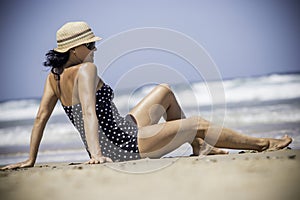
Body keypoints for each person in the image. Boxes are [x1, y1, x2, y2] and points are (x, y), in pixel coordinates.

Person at [1, 21, 292, 170]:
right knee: (199, 122)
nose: (94, 49)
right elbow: (89, 111)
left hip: (122, 130)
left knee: (164, 89)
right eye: (90, 44)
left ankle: (201, 147)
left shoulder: (53, 78)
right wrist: (99, 156)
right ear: (75, 49)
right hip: (122, 145)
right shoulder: (86, 71)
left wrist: (30, 159)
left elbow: (40, 118)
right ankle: (264, 143)